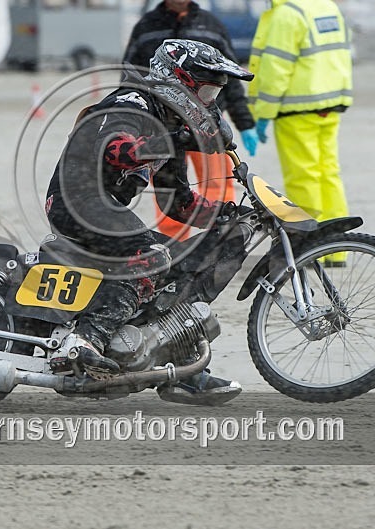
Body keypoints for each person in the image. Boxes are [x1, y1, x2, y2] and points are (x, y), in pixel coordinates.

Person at [45, 39, 254, 405]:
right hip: (76, 203)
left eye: (215, 92)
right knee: (153, 255)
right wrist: (177, 137)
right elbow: (117, 149)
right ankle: (83, 341)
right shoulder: (132, 103)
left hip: (104, 207)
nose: (210, 100)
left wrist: (222, 215)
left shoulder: (168, 120)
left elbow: (176, 202)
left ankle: (182, 372)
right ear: (180, 80)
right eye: (206, 90)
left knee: (177, 268)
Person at [122, 0, 260, 241]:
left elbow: (230, 78)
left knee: (218, 183)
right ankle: (175, 243)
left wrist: (244, 122)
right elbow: (130, 72)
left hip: (206, 122)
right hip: (161, 121)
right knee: (167, 181)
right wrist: (133, 115)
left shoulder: (211, 24)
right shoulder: (146, 26)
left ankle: (225, 237)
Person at [247, 0, 353, 263]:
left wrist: (263, 113)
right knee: (328, 174)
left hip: (296, 108)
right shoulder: (326, 7)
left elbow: (275, 69)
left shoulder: (287, 14)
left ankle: (310, 248)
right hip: (329, 104)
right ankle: (336, 249)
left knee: (302, 177)